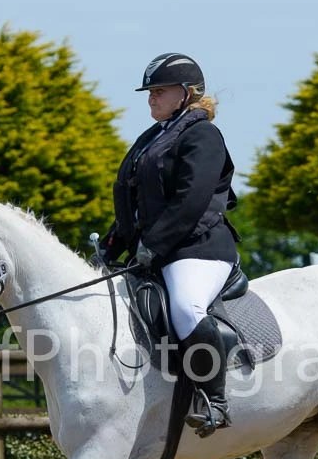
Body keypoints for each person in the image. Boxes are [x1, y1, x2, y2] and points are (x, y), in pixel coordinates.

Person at [102, 52, 240, 437]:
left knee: (185, 306)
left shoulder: (203, 135)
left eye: (159, 91)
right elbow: (137, 202)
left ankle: (215, 400)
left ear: (186, 93)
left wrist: (155, 244)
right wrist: (114, 243)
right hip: (159, 251)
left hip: (199, 249)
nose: (151, 98)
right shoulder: (153, 137)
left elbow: (190, 200)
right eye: (150, 91)